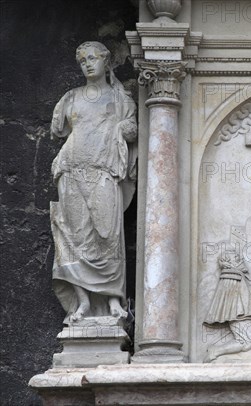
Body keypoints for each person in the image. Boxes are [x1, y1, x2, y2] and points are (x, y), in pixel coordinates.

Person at [50, 41, 137, 324]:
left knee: (107, 234)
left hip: (103, 169)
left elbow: (133, 129)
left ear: (105, 61)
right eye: (83, 60)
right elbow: (58, 130)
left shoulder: (119, 97)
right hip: (72, 169)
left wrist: (124, 129)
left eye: (92, 58)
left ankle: (113, 299)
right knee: (74, 236)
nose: (87, 64)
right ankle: (83, 303)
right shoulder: (71, 98)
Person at [204, 250, 251, 361]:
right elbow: (236, 295)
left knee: (248, 342)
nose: (241, 260)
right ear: (229, 263)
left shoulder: (236, 274)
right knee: (245, 342)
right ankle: (216, 351)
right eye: (236, 257)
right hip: (239, 313)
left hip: (242, 312)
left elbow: (239, 292)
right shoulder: (232, 275)